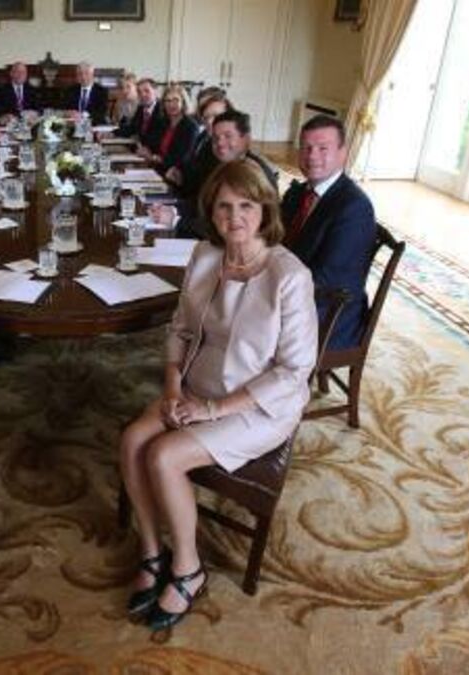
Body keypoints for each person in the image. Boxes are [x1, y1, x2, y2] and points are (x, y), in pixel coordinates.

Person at [118, 161, 317, 632]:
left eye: (246, 205)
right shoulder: (206, 257)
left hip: (258, 406)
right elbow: (181, 331)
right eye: (224, 206)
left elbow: (294, 372)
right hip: (197, 386)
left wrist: (214, 409)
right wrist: (173, 388)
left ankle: (188, 568)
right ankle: (152, 551)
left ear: (264, 209)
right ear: (211, 211)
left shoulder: (289, 276)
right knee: (132, 440)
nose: (235, 217)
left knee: (164, 456)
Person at [281, 114, 376, 350]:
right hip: (294, 291)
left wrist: (269, 288)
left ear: (343, 153)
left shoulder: (354, 208)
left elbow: (328, 280)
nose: (312, 156)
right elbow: (273, 240)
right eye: (306, 148)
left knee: (243, 323)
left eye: (323, 148)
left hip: (329, 315)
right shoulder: (298, 193)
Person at [151, 110, 278, 239]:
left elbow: (233, 227)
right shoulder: (221, 164)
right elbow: (204, 204)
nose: (220, 143)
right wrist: (173, 209)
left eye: (228, 136)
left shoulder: (254, 173)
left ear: (246, 139)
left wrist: (177, 221)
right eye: (216, 138)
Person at [164, 93, 231, 187]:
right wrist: (178, 172)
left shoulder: (232, 148)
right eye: (206, 117)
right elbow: (191, 164)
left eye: (216, 116)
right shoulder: (204, 136)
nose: (210, 121)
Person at [137, 85, 199, 172]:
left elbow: (182, 158)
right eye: (168, 101)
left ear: (183, 102)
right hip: (156, 168)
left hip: (174, 173)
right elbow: (151, 142)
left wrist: (154, 158)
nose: (171, 104)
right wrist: (146, 149)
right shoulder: (163, 122)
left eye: (176, 100)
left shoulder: (191, 126)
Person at [113, 78, 162, 153]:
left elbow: (158, 138)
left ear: (156, 92)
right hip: (139, 150)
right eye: (139, 92)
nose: (142, 95)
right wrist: (112, 133)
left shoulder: (162, 110)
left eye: (147, 91)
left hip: (154, 153)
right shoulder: (141, 108)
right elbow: (131, 128)